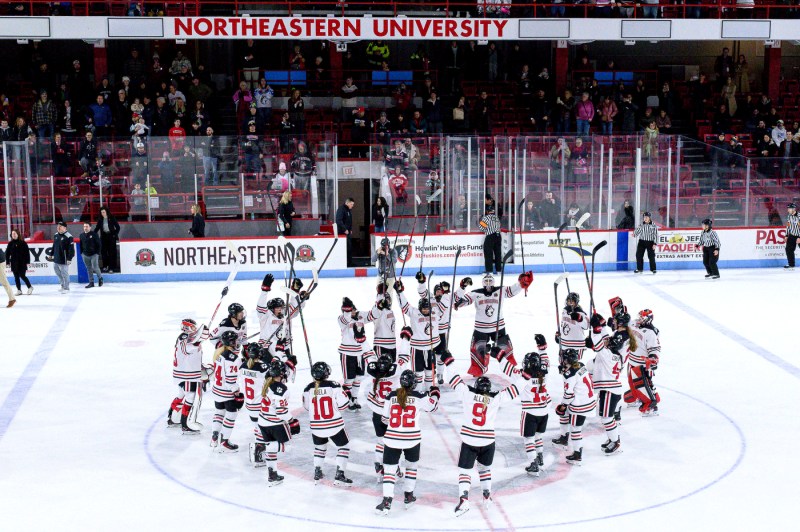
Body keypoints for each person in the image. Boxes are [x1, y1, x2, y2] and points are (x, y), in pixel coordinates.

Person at [438, 349, 520, 516]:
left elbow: (454, 379)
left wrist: (449, 361)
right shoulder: (496, 398)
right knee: (484, 469)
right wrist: (525, 375)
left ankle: (464, 500)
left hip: (470, 439)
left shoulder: (468, 394)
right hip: (488, 442)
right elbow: (516, 388)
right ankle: (487, 496)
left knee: (464, 471)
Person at [374, 369, 439, 515]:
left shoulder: (391, 396)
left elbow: (384, 419)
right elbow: (433, 407)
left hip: (392, 439)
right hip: (412, 439)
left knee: (390, 471)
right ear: (414, 384)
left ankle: (386, 501)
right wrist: (435, 393)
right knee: (411, 468)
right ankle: (408, 496)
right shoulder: (420, 396)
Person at [453, 272, 531, 377]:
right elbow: (462, 301)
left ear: (494, 282)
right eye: (486, 281)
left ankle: (511, 370)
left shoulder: (500, 290)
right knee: (477, 351)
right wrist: (459, 302)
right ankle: (478, 369)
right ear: (483, 283)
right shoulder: (475, 293)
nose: (488, 283)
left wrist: (521, 283)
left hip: (498, 327)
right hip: (481, 328)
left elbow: (513, 290)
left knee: (505, 349)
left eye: (490, 281)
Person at [302, 361, 353, 485]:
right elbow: (344, 405)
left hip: (316, 426)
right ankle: (340, 474)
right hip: (334, 425)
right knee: (343, 447)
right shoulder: (334, 385)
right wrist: (347, 394)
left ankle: (317, 471)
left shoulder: (308, 388)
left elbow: (307, 407)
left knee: (320, 448)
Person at [258, 359, 300, 486]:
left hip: (263, 421)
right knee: (286, 446)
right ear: (281, 374)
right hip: (275, 423)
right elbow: (281, 411)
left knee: (273, 447)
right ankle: (262, 447)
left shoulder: (266, 383)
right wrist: (291, 420)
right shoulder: (282, 389)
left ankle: (273, 474)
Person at [395, 278, 441, 390]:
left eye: (427, 308)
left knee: (430, 373)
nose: (426, 310)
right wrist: (399, 292)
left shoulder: (435, 313)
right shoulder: (414, 313)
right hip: (417, 349)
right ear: (420, 308)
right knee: (418, 374)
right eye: (424, 309)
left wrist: (440, 296)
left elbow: (443, 303)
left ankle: (430, 391)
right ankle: (419, 393)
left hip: (431, 348)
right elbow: (404, 305)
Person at [552, 349, 596, 465]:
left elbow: (569, 394)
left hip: (580, 405)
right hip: (589, 401)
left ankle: (577, 454)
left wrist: (562, 405)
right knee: (564, 414)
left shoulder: (569, 375)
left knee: (575, 429)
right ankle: (563, 438)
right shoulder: (581, 366)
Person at [359, 353, 400, 480]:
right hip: (391, 413)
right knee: (393, 442)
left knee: (380, 440)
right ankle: (395, 468)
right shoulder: (396, 372)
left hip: (377, 412)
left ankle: (379, 466)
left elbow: (369, 355)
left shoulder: (373, 373)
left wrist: (361, 338)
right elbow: (403, 358)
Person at [167, 318, 210, 434]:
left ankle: (172, 418)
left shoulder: (186, 337)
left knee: (181, 394)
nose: (194, 329)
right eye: (193, 327)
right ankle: (186, 424)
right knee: (190, 397)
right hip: (187, 375)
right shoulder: (185, 337)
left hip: (184, 372)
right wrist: (200, 339)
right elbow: (188, 349)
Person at [337, 297, 376, 410]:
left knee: (358, 378)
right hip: (347, 353)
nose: (353, 312)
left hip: (360, 352)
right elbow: (347, 317)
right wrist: (347, 310)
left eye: (354, 309)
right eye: (350, 310)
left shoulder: (360, 316)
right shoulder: (342, 319)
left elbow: (373, 314)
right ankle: (348, 401)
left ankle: (355, 399)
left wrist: (379, 302)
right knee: (349, 380)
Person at [210, 330, 243, 452]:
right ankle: (224, 441)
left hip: (216, 390)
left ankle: (214, 437)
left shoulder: (219, 353)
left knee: (219, 413)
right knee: (231, 415)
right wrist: (236, 392)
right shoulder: (233, 359)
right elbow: (230, 381)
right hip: (226, 393)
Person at [239, 344, 272, 467]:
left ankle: (258, 453)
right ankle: (258, 454)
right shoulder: (263, 367)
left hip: (249, 403)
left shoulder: (242, 366)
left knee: (257, 427)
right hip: (260, 404)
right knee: (263, 429)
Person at [48, 221, 74, 293]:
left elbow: (71, 249)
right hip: (56, 258)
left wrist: (69, 258)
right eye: (58, 226)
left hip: (64, 259)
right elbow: (54, 246)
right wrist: (51, 254)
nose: (58, 227)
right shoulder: (56, 235)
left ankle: (66, 288)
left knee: (64, 273)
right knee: (57, 272)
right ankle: (62, 285)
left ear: (65, 228)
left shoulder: (69, 236)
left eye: (60, 226)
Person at [5, 229, 32, 296]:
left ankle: (30, 287)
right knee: (16, 277)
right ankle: (19, 290)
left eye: (15, 234)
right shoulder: (10, 244)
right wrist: (7, 262)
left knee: (22, 275)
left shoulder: (23, 243)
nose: (13, 235)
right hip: (14, 262)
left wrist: (27, 261)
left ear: (18, 234)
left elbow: (27, 253)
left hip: (22, 262)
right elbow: (7, 254)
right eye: (12, 234)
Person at [478, 202, 502, 274]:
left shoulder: (486, 218)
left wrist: (487, 230)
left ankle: (489, 271)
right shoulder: (496, 218)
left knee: (488, 254)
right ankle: (499, 271)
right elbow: (499, 226)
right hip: (498, 236)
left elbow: (481, 227)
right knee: (498, 253)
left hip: (490, 236)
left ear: (487, 211)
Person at [94, 207, 120, 273]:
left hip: (111, 237)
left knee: (111, 252)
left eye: (104, 212)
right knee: (104, 252)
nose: (102, 213)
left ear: (106, 212)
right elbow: (97, 228)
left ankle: (111, 267)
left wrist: (114, 234)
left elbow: (118, 227)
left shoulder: (112, 217)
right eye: (101, 212)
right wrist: (92, 234)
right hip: (103, 237)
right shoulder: (100, 219)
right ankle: (105, 266)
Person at [79, 222, 103, 288]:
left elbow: (99, 244)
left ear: (90, 227)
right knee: (89, 268)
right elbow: (81, 245)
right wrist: (81, 253)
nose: (85, 228)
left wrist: (97, 253)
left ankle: (100, 278)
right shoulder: (81, 235)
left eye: (87, 226)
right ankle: (91, 282)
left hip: (94, 254)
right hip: (85, 254)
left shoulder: (94, 234)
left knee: (95, 267)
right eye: (84, 226)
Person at [336, 198, 355, 267]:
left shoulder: (348, 210)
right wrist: (344, 229)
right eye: (351, 204)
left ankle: (350, 262)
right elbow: (339, 220)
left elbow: (349, 220)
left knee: (349, 248)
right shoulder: (341, 209)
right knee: (345, 248)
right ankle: (345, 263)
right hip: (342, 233)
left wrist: (350, 229)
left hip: (348, 232)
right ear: (347, 203)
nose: (352, 206)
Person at [785, 203, 799, 270]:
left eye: (789, 208)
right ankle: (791, 265)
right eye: (788, 208)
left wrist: (799, 237)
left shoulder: (799, 216)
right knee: (788, 249)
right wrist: (786, 235)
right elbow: (788, 226)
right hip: (792, 235)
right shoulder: (789, 216)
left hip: (799, 235)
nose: (788, 210)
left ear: (793, 209)